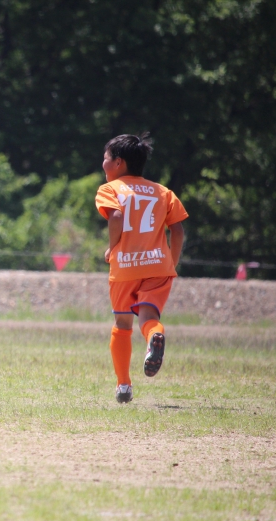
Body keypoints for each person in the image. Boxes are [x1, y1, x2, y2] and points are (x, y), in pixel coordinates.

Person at [95, 133, 188, 403]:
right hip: (158, 266)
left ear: (119, 163)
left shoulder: (110, 189)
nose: (103, 163)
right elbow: (178, 230)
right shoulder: (163, 192)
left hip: (125, 267)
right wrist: (171, 262)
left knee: (122, 324)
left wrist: (113, 247)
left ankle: (124, 385)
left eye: (105, 158)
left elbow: (116, 217)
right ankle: (156, 335)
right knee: (148, 318)